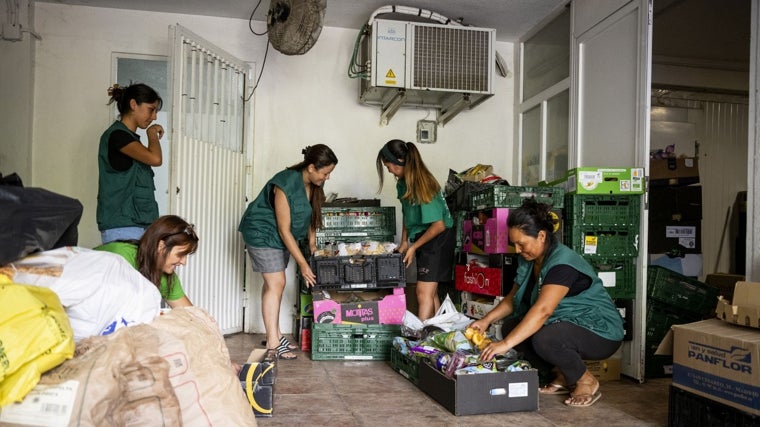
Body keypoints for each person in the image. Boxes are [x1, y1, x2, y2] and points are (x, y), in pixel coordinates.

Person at [470, 198, 624, 408]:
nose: (516, 250)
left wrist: (504, 346)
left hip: (600, 331)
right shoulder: (530, 259)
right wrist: (486, 321)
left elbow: (543, 310)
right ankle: (562, 374)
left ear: (541, 236)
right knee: (511, 327)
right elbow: (513, 299)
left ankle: (586, 380)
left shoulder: (562, 264)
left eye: (521, 243)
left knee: (545, 339)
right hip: (565, 323)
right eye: (513, 243)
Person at [238, 144, 338, 360]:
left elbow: (312, 217)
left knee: (273, 284)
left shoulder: (313, 185)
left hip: (278, 236)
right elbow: (284, 229)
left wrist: (312, 245)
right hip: (262, 232)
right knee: (277, 283)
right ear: (311, 167)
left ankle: (275, 334)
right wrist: (302, 264)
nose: (327, 177)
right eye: (325, 172)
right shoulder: (284, 183)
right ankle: (273, 343)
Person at [376, 139, 456, 321]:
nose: (387, 168)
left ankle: (421, 343)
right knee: (430, 292)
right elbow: (407, 212)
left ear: (398, 160)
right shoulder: (403, 182)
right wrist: (405, 241)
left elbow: (439, 225)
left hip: (438, 238)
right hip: (424, 237)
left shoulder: (423, 183)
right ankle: (433, 336)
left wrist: (413, 247)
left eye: (387, 164)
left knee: (422, 292)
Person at [97, 82, 164, 244]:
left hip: (136, 224)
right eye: (151, 109)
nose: (154, 117)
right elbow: (155, 159)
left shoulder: (129, 139)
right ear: (133, 104)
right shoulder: (117, 136)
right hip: (122, 226)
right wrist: (152, 134)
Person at [96, 214, 196, 308]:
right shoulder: (120, 258)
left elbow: (190, 315)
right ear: (161, 246)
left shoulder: (165, 275)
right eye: (180, 254)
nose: (184, 262)